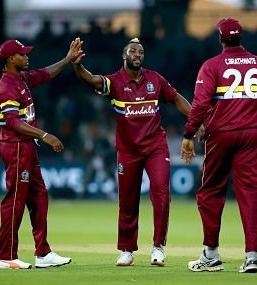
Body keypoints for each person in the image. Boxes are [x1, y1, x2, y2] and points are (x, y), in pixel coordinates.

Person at [73, 37, 191, 266]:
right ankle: (127, 250)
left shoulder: (155, 79)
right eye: (133, 51)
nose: (137, 55)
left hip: (155, 146)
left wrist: (198, 120)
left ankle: (158, 248)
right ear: (124, 56)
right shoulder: (115, 82)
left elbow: (176, 98)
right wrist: (77, 65)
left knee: (161, 195)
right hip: (127, 150)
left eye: (141, 52)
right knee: (127, 202)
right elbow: (91, 80)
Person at [180, 18, 257, 273]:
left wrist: (188, 134)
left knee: (211, 191)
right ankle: (252, 257)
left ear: (221, 38)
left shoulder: (211, 65)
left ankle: (211, 255)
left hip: (221, 134)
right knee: (252, 193)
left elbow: (201, 104)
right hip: (251, 134)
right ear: (241, 37)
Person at [0, 38, 83, 269]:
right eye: (22, 54)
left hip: (27, 147)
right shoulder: (7, 87)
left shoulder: (21, 78)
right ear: (11, 59)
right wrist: (44, 135)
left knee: (40, 198)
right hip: (16, 148)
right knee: (15, 200)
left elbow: (45, 74)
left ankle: (43, 253)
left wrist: (67, 59)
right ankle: (5, 256)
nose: (27, 56)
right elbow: (12, 122)